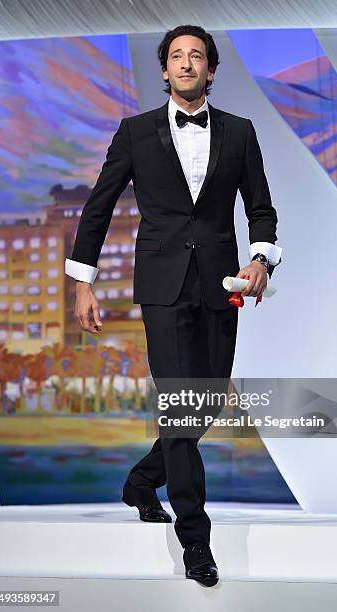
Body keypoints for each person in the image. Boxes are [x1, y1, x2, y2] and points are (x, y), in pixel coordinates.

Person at [65, 24, 283, 587]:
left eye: (197, 57)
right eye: (177, 57)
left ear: (211, 70)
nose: (187, 64)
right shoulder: (134, 132)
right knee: (183, 406)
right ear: (164, 70)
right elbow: (99, 206)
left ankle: (142, 481)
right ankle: (196, 541)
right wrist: (82, 282)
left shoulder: (240, 132)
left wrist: (262, 261)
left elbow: (261, 207)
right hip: (160, 287)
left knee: (205, 405)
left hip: (223, 282)